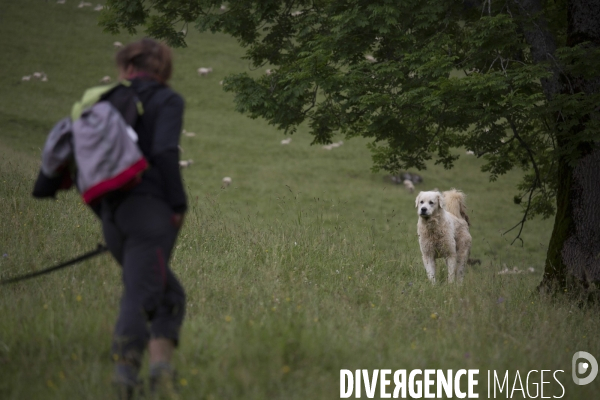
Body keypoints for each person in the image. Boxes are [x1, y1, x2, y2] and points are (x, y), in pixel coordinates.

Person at [100, 38, 187, 399]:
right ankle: (124, 380)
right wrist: (179, 203)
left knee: (169, 295)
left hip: (113, 213)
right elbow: (165, 151)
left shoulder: (105, 101)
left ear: (125, 66)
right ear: (163, 68)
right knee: (141, 294)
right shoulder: (167, 99)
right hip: (150, 215)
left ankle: (160, 377)